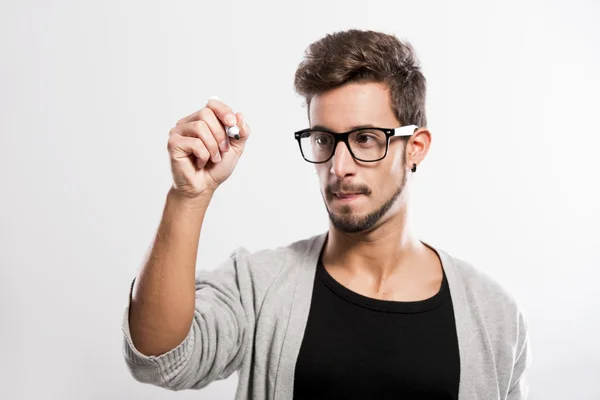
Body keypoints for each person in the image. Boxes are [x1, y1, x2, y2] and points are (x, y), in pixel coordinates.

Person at [121, 29, 531, 399]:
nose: (339, 166)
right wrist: (188, 197)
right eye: (323, 139)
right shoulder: (260, 286)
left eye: (366, 138)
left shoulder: (494, 315)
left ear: (416, 147)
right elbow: (161, 360)